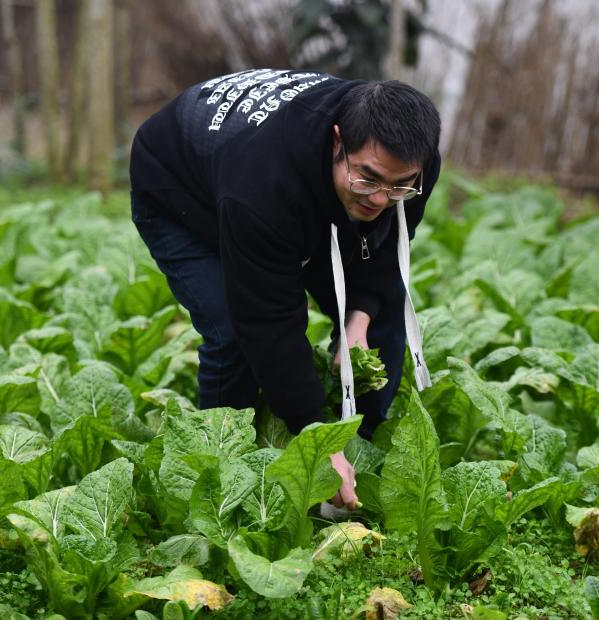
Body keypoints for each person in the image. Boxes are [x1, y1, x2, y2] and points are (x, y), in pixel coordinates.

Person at [129, 68, 441, 511]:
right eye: (368, 179)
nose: (380, 198)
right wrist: (316, 437)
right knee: (231, 329)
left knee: (383, 313)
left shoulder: (410, 169)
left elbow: (388, 247)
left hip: (292, 192)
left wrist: (360, 317)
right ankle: (219, 478)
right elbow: (269, 323)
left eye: (399, 186)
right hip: (180, 186)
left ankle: (366, 453)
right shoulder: (262, 187)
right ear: (338, 141)